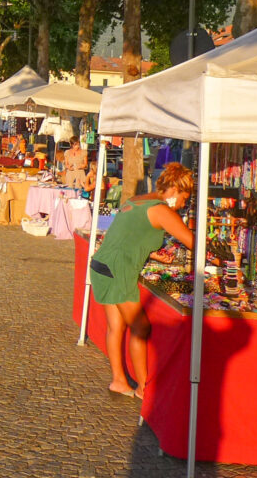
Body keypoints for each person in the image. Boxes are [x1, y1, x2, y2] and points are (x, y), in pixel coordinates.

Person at [89, 162, 195, 400]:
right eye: (184, 198)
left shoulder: (137, 199)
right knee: (141, 327)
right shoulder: (161, 210)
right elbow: (193, 242)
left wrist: (152, 252)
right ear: (175, 189)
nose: (183, 204)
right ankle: (144, 389)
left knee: (116, 327)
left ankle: (119, 380)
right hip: (118, 270)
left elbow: (129, 234)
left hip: (101, 265)